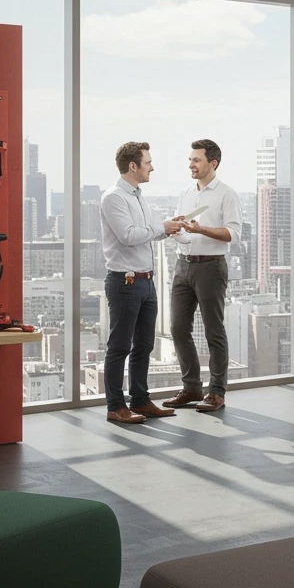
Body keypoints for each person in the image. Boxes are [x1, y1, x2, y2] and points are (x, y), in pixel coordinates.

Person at [100, 142, 184, 424]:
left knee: (144, 346)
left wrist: (168, 227)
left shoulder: (138, 197)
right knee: (120, 346)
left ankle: (140, 400)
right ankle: (115, 406)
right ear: (133, 165)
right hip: (125, 281)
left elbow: (146, 232)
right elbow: (128, 235)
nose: (152, 167)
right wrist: (161, 227)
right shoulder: (114, 198)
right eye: (148, 162)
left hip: (146, 282)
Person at [164, 139, 243, 413]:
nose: (191, 165)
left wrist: (200, 230)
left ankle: (217, 392)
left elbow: (233, 234)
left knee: (213, 330)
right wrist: (178, 232)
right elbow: (187, 233)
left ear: (213, 163)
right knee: (178, 328)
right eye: (190, 160)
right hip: (183, 266)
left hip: (211, 267)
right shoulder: (186, 193)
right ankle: (191, 388)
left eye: (196, 160)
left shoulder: (226, 195)